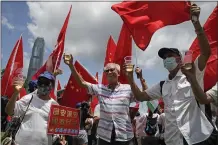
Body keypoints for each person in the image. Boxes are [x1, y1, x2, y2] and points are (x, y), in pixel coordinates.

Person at [124, 4, 214, 145]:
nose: (167, 59)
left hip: (197, 138)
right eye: (164, 57)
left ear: (179, 59)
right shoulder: (162, 85)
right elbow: (140, 96)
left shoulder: (192, 74)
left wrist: (196, 23)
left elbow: (206, 53)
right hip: (172, 140)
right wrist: (130, 79)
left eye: (170, 55)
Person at [63, 54, 135, 145]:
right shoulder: (100, 89)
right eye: (106, 71)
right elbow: (82, 83)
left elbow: (142, 96)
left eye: (112, 70)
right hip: (104, 137)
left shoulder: (128, 88)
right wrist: (71, 65)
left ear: (119, 73)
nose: (109, 72)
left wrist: (138, 78)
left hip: (125, 137)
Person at [5, 71, 58, 145]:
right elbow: (9, 111)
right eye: (40, 82)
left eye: (46, 82)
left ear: (52, 86)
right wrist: (16, 93)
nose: (42, 85)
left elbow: (57, 127)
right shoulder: (28, 98)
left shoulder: (55, 105)